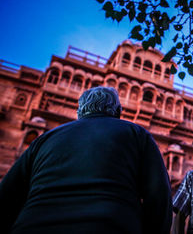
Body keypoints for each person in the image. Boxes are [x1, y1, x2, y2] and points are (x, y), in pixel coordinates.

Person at [0, 87, 172, 234]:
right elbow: (159, 195)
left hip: (33, 226)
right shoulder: (137, 134)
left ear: (79, 111)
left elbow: (7, 195)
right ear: (118, 111)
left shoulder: (46, 139)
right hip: (110, 225)